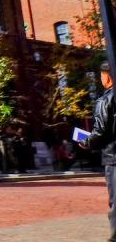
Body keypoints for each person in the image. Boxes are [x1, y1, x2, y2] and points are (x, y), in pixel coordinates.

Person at [82, 60, 116, 241]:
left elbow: (100, 129)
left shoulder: (106, 99)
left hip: (113, 157)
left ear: (107, 76)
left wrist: (86, 142)